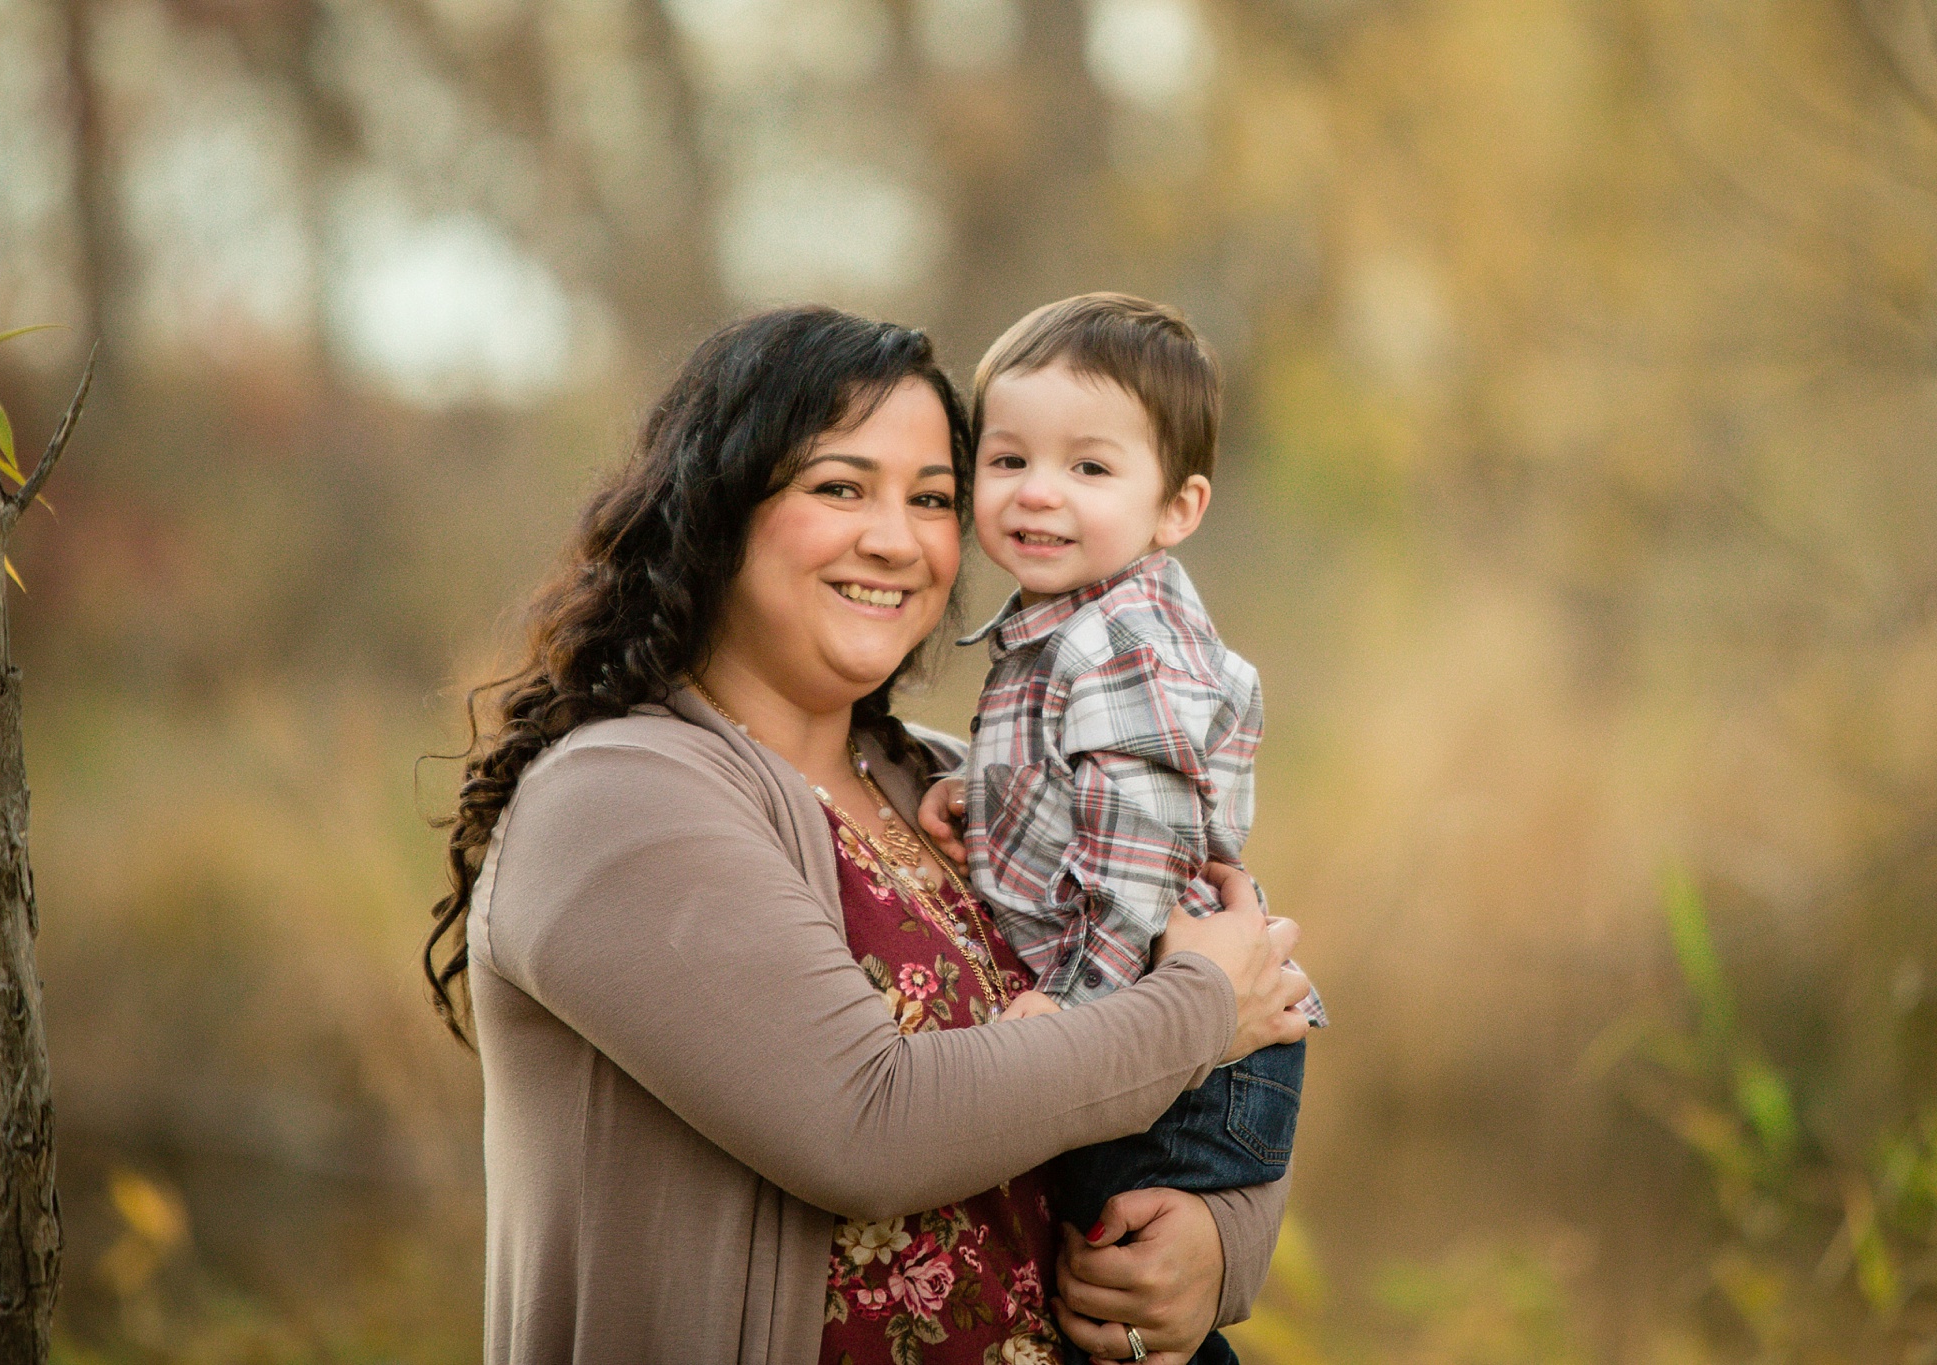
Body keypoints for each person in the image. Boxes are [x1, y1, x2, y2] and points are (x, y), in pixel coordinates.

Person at [422, 305, 1317, 1365]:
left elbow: (1245, 1010)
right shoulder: (614, 799)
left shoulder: (949, 780)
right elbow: (866, 1122)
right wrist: (1199, 1011)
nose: (894, 539)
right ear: (716, 512)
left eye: (931, 498)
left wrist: (1214, 1250)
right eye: (838, 487)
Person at [917, 294, 1327, 1364]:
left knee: (1113, 1314)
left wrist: (1064, 1027)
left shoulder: (1122, 644)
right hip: (1169, 1035)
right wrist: (982, 790)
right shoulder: (1069, 630)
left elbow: (1138, 883)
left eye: (1089, 470)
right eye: (1006, 461)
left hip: (1176, 1058)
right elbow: (1090, 804)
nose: (1037, 493)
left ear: (1174, 507)